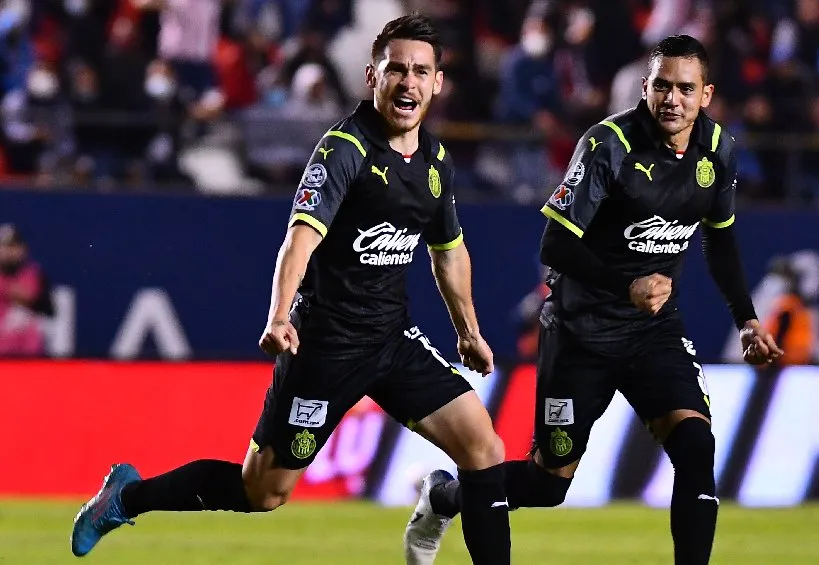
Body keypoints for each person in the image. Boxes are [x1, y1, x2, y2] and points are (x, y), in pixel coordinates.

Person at [71, 14, 511, 564]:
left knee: (483, 447)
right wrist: (280, 315)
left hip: (392, 340)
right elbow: (301, 237)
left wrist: (468, 332)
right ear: (372, 75)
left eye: (421, 71)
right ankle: (126, 497)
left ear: (438, 83)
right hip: (325, 348)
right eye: (396, 69)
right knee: (263, 492)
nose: (408, 82)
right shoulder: (343, 150)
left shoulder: (435, 161)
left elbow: (449, 251)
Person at [404, 35, 783, 565]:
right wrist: (625, 286)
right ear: (645, 88)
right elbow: (554, 244)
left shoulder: (719, 149)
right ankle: (444, 496)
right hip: (581, 334)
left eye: (686, 89)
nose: (673, 99)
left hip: (653, 333)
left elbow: (720, 240)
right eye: (662, 86)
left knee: (697, 447)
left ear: (707, 94)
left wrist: (746, 319)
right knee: (547, 484)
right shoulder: (609, 145)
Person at [0, 223, 53, 357]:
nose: (8, 252)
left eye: (13, 246)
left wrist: (8, 288)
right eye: (4, 246)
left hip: (26, 353)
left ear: (22, 249)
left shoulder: (33, 274)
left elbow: (44, 306)